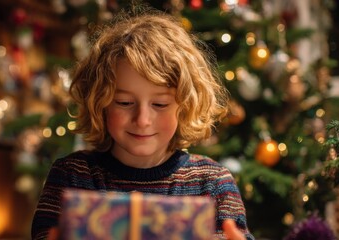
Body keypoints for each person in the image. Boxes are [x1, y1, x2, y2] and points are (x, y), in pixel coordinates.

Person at [31, 7, 254, 240]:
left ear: (185, 106)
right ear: (100, 103)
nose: (143, 120)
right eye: (125, 102)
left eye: (160, 104)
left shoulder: (213, 183)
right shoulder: (71, 176)